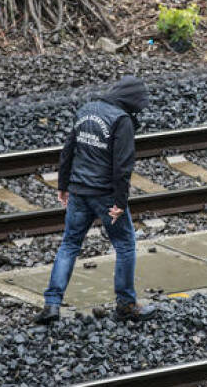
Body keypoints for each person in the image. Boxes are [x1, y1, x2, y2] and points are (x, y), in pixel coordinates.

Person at [33, 76, 157, 324]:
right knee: (125, 245)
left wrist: (63, 185)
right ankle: (126, 304)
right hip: (104, 194)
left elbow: (68, 150)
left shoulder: (86, 109)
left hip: (78, 192)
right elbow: (122, 167)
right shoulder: (121, 121)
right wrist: (120, 203)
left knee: (69, 245)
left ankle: (52, 305)